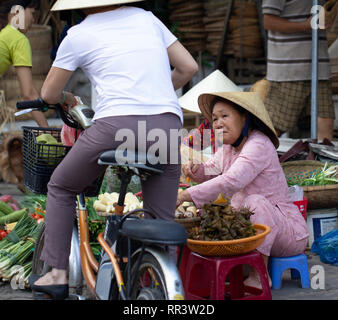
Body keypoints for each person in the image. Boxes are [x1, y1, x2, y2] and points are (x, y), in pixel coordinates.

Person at [29, 0, 198, 300]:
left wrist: (68, 97)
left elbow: (48, 94)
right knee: (160, 218)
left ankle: (56, 273)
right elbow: (188, 67)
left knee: (61, 186)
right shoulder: (147, 18)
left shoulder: (78, 34)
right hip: (167, 127)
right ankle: (158, 278)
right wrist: (155, 94)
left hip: (114, 127)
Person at [177, 91, 309, 289]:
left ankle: (259, 275)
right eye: (214, 119)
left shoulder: (259, 144)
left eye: (225, 116)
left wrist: (185, 195)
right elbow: (210, 171)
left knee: (254, 203)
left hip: (288, 233)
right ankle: (238, 271)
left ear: (244, 118)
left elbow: (231, 181)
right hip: (253, 230)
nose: (218, 123)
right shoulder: (228, 149)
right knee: (215, 212)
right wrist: (195, 169)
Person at [262, 0, 336, 141]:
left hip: (319, 67)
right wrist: (306, 25)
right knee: (275, 127)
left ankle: (321, 163)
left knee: (325, 122)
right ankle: (256, 158)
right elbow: (268, 21)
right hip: (289, 69)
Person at [0, 0, 48, 127]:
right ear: (17, 11)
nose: (33, 20)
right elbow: (29, 94)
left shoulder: (4, 35)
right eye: (32, 13)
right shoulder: (18, 39)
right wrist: (48, 130)